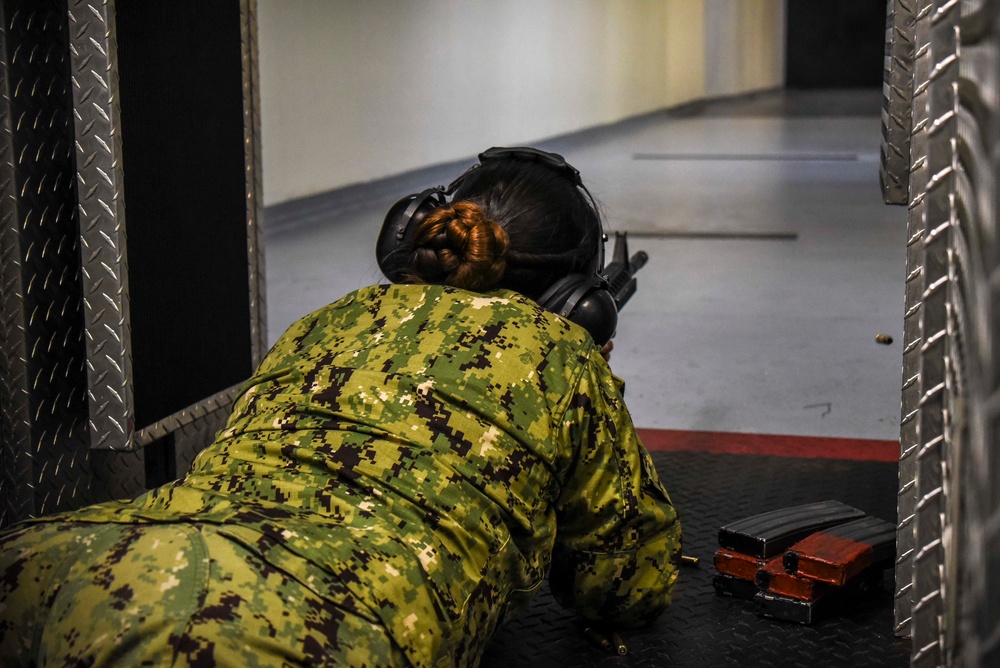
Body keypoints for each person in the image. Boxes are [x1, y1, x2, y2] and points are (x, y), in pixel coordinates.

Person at [0, 147, 681, 667]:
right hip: (281, 625)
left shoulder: (333, 316)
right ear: (573, 302)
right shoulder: (561, 354)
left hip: (72, 558)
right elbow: (625, 583)